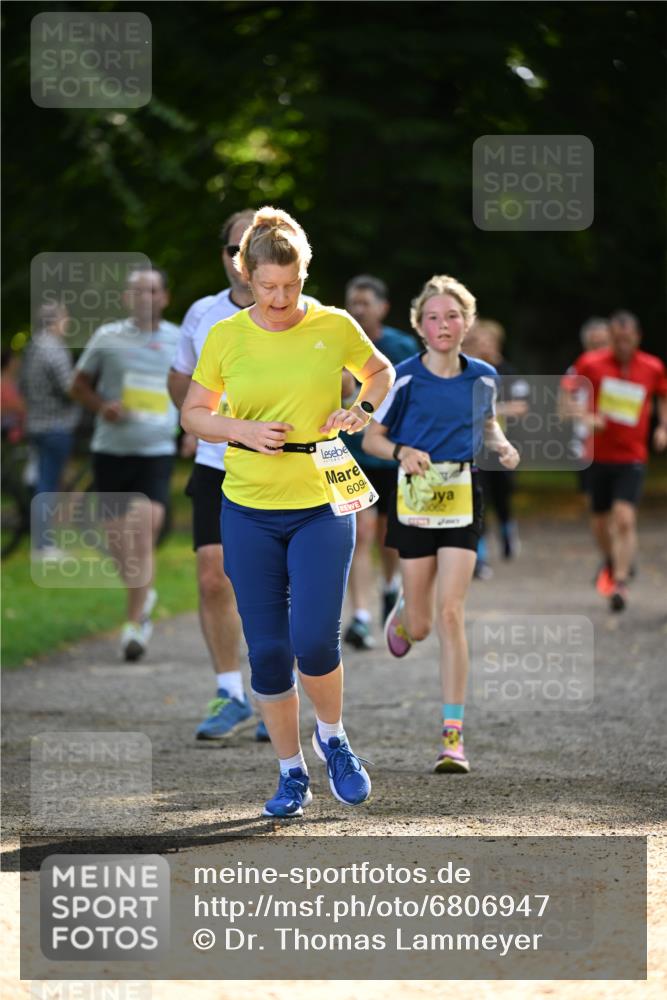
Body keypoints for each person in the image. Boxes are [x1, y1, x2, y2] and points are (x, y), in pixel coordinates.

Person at [181, 206, 394, 817]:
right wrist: (240, 430)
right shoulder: (225, 336)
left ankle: (334, 739)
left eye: (291, 285)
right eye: (267, 287)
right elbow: (195, 413)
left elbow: (378, 372)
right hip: (247, 507)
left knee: (313, 641)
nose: (279, 298)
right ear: (245, 276)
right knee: (269, 650)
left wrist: (361, 411)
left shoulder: (334, 325)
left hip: (323, 501)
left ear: (305, 274)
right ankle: (290, 772)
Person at [363, 275, 519, 774]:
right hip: (412, 501)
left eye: (452, 315)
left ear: (466, 322)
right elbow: (371, 439)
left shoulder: (484, 377)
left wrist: (500, 445)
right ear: (420, 326)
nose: (443, 324)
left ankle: (453, 737)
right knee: (424, 625)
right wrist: (402, 451)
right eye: (433, 317)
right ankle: (405, 616)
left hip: (461, 500)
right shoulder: (403, 376)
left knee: (452, 612)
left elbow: (488, 420)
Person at [168, 209, 271, 742]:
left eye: (251, 247)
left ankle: (272, 690)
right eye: (234, 248)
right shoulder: (203, 314)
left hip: (280, 467)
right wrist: (193, 419)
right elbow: (180, 376)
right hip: (216, 464)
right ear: (225, 257)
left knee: (277, 584)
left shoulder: (300, 313)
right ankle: (230, 692)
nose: (241, 258)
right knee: (213, 575)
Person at [70, 267, 180, 659]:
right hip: (111, 449)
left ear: (164, 297)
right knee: (118, 541)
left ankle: (134, 625)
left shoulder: (180, 340)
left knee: (144, 527)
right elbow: (77, 384)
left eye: (151, 291)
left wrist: (195, 430)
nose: (144, 298)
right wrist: (103, 406)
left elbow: (200, 389)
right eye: (136, 291)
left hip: (156, 450)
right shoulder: (107, 337)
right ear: (126, 298)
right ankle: (144, 592)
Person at [569, 310, 667, 612]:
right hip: (597, 455)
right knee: (599, 521)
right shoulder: (590, 363)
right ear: (609, 338)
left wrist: (663, 426)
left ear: (637, 337)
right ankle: (613, 560)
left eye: (627, 339)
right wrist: (586, 416)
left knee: (624, 518)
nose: (622, 345)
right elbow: (566, 398)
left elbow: (663, 396)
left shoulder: (652, 366)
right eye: (616, 339)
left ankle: (620, 583)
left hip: (632, 456)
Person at [340, 275, 418, 651]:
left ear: (382, 307)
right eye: (352, 302)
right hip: (351, 454)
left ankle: (390, 589)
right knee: (360, 533)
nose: (358, 309)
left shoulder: (401, 347)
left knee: (389, 537)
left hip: (389, 455)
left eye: (365, 303)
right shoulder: (336, 343)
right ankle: (360, 616)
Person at [463, 319, 528, 574]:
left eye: (487, 340)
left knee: (503, 496)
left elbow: (520, 408)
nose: (483, 345)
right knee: (479, 498)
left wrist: (491, 410)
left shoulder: (508, 372)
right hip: (475, 448)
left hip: (502, 446)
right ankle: (480, 555)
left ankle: (507, 530)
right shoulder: (469, 371)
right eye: (478, 341)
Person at [19, 303, 80, 559]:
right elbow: (70, 387)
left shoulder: (33, 347)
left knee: (41, 482)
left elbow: (22, 384)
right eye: (65, 318)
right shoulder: (54, 349)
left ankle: (41, 541)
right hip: (56, 426)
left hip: (36, 423)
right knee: (48, 485)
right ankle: (43, 546)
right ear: (55, 321)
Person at [567, 317, 611, 499]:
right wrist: (586, 417)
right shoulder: (576, 371)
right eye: (595, 344)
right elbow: (564, 407)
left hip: (616, 440)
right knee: (593, 498)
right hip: (586, 441)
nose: (600, 349)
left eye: (604, 343)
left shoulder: (623, 370)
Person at [1, 348, 26, 443]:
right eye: (14, 360)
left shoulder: (17, 382)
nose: (18, 362)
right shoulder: (2, 383)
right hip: (6, 432)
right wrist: (14, 406)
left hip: (22, 431)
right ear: (8, 363)